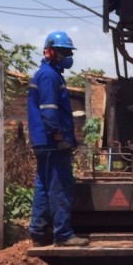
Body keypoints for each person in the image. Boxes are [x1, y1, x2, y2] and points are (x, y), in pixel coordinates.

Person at [27, 31, 88, 248]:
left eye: (69, 52)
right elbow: (49, 112)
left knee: (43, 186)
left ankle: (38, 232)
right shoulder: (50, 76)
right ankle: (63, 235)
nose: (68, 56)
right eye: (64, 52)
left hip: (43, 142)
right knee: (60, 187)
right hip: (51, 142)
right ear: (52, 52)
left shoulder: (47, 74)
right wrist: (59, 137)